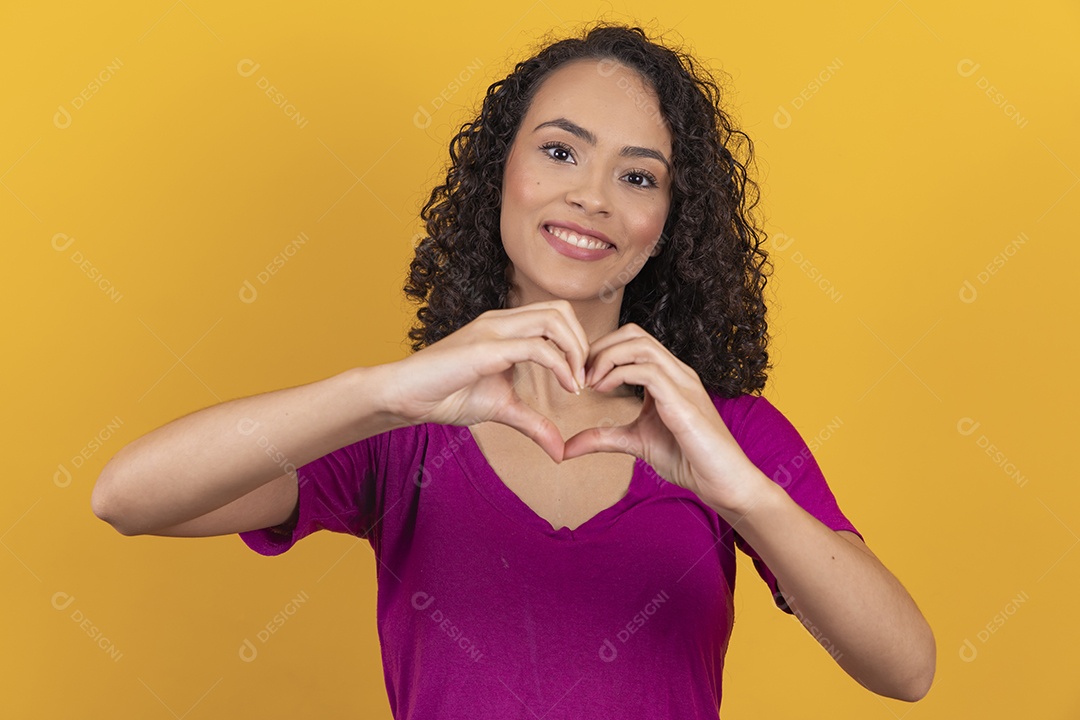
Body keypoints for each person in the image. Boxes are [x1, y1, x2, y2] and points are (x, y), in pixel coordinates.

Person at [92, 22, 935, 718]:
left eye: (637, 176)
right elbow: (127, 497)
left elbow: (906, 670)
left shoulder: (726, 434)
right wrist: (381, 393)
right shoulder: (401, 430)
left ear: (667, 226)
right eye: (561, 152)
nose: (593, 196)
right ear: (501, 172)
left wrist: (744, 494)